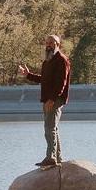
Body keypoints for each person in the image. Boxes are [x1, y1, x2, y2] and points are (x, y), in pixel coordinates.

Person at [17, 34, 70, 167]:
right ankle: (57, 156)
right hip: (48, 99)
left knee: (49, 128)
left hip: (55, 99)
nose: (48, 45)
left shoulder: (61, 60)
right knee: (53, 128)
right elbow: (44, 79)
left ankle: (50, 158)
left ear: (58, 44)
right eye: (46, 42)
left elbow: (61, 83)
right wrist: (28, 75)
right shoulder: (48, 60)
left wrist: (52, 99)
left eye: (51, 42)